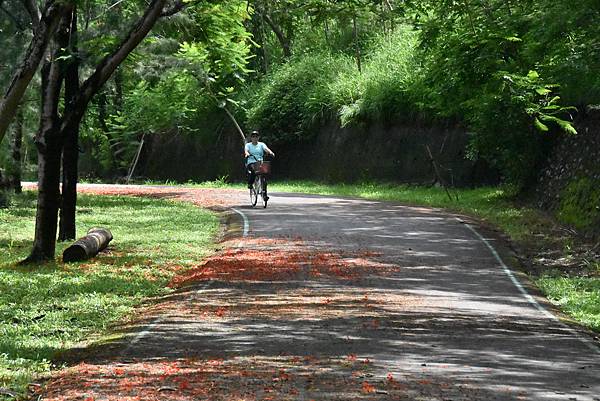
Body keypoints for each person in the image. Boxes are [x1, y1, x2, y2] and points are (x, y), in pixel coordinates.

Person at [244, 130, 275, 196]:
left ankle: (264, 193)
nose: (255, 138)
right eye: (253, 136)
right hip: (251, 162)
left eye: (256, 136)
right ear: (251, 138)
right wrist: (247, 154)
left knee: (264, 173)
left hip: (260, 162)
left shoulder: (261, 144)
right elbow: (246, 151)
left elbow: (266, 149)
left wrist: (270, 152)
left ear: (258, 137)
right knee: (253, 171)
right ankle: (250, 183)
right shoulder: (248, 145)